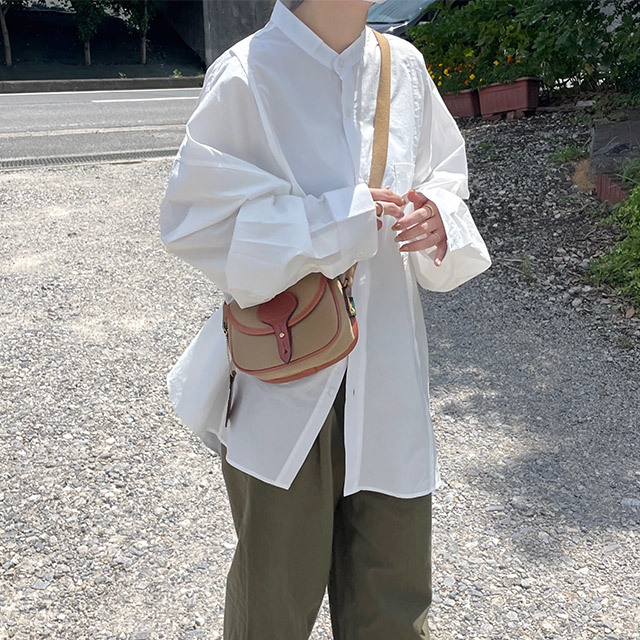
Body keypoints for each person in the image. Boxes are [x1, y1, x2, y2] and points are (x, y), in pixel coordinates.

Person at [159, 0, 491, 638]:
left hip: (388, 381)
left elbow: (447, 179)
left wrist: (439, 218)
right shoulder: (247, 75)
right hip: (284, 386)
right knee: (272, 613)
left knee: (394, 610)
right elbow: (196, 224)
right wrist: (338, 221)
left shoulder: (404, 68)